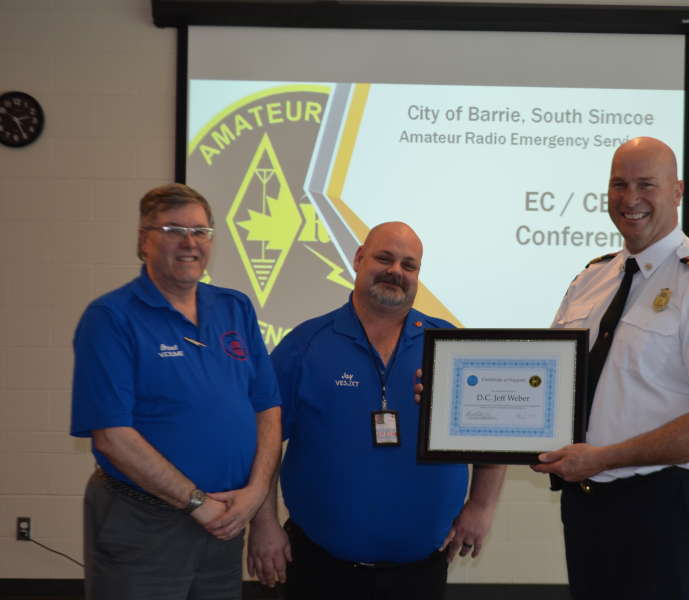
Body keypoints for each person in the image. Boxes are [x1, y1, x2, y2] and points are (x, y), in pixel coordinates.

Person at [532, 137, 689, 599]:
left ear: (677, 191)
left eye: (646, 185)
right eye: (619, 184)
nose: (630, 199)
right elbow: (545, 385)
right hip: (589, 510)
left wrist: (603, 458)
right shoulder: (590, 279)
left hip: (667, 509)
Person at [247, 221, 506, 600]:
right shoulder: (305, 345)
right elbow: (263, 443)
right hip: (321, 569)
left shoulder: (448, 344)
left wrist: (481, 507)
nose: (396, 272)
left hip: (421, 572)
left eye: (409, 265)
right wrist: (264, 523)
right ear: (358, 258)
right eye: (384, 258)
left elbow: (491, 430)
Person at [70, 183, 282, 600]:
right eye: (172, 230)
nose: (190, 243)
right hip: (144, 523)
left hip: (225, 524)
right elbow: (112, 435)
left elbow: (268, 409)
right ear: (143, 240)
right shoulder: (111, 318)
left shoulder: (234, 307)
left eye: (201, 231)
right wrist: (197, 503)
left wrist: (256, 496)